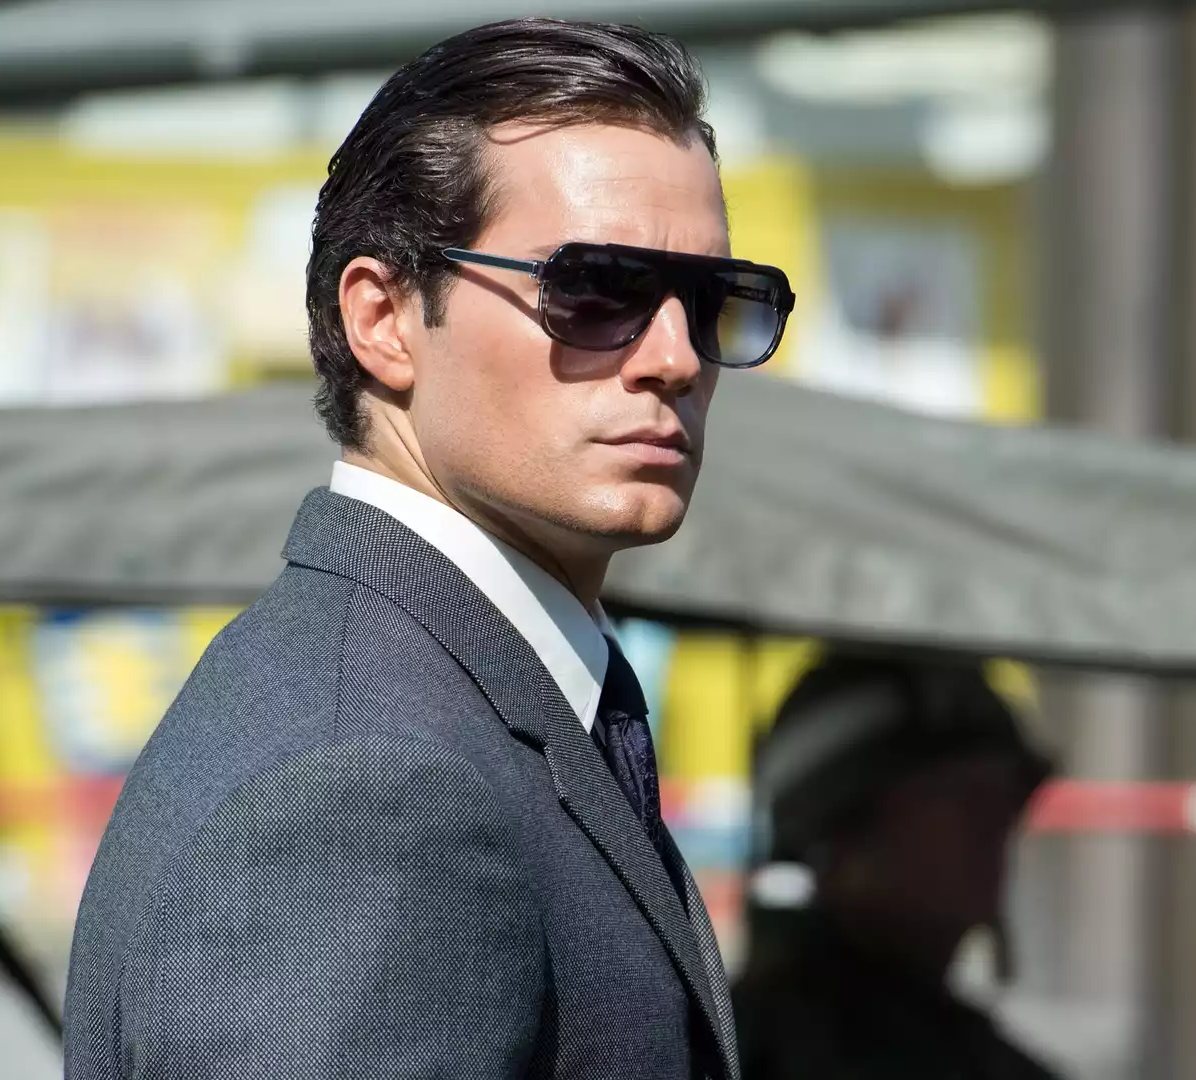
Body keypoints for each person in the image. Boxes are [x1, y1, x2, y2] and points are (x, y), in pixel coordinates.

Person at [64, 18, 794, 1080]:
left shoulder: (435, 704)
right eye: (597, 288)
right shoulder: (363, 784)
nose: (676, 357)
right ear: (384, 319)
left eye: (713, 298)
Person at [734, 655, 1061, 1080]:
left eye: (1006, 796)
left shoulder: (975, 1057)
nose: (994, 823)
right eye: (957, 795)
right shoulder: (766, 1055)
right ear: (840, 830)